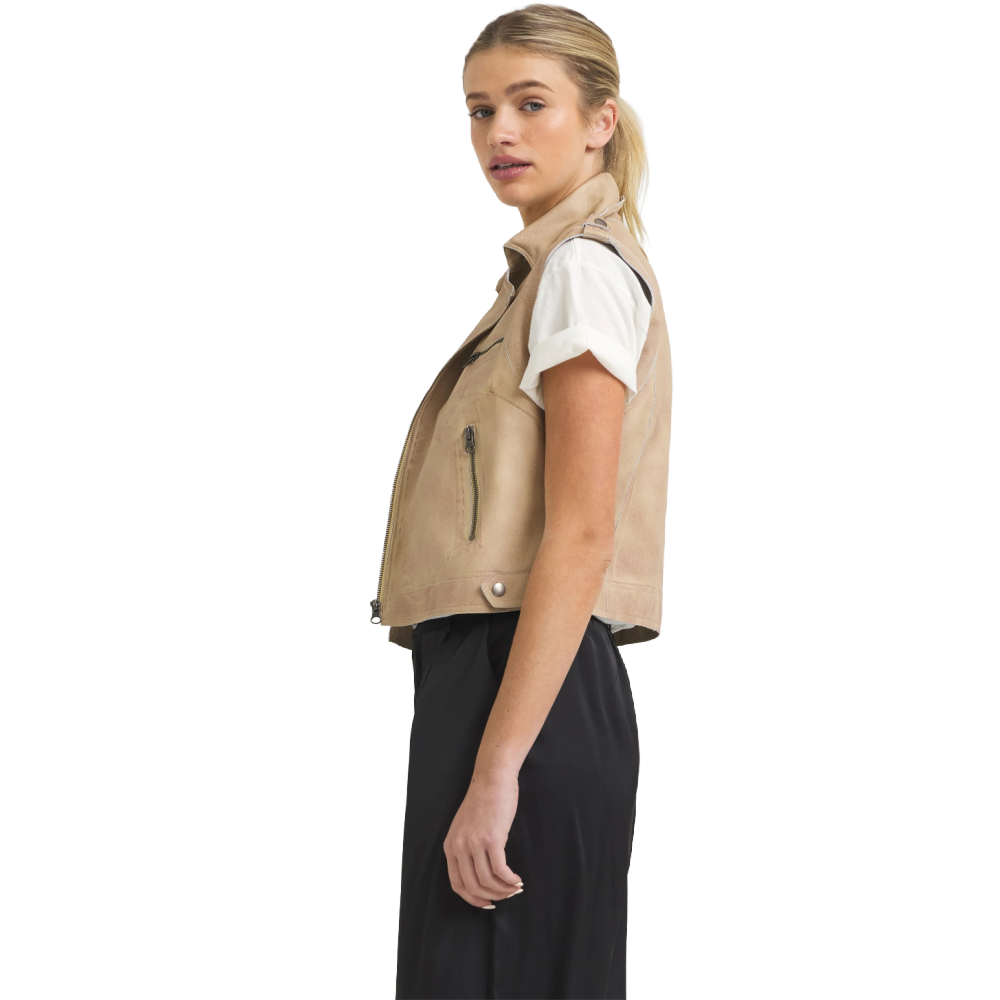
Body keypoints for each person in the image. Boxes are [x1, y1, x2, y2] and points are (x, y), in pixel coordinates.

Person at [370, 6, 672, 997]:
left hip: (524, 684)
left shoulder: (581, 269)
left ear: (599, 120)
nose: (499, 131)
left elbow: (581, 532)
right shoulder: (545, 273)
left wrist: (497, 767)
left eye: (530, 104)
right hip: (504, 679)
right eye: (479, 109)